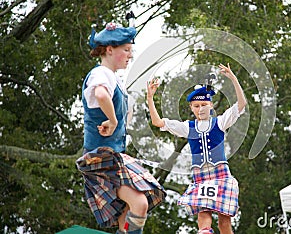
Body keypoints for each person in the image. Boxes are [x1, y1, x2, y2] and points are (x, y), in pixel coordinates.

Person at [76, 21, 166, 234]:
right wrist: (114, 120)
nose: (129, 55)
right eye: (126, 50)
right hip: (101, 156)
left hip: (112, 154)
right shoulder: (101, 73)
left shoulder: (114, 79)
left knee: (127, 213)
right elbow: (100, 94)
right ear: (109, 50)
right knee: (140, 203)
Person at [147, 63, 247, 234]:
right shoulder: (188, 127)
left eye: (203, 105)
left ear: (211, 106)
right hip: (200, 176)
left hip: (220, 174)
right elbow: (158, 123)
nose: (200, 109)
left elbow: (241, 104)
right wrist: (150, 98)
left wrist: (234, 79)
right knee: (203, 216)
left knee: (224, 222)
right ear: (191, 108)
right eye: (196, 106)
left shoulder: (220, 122)